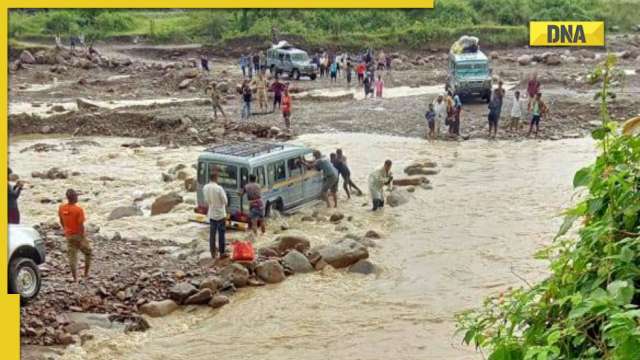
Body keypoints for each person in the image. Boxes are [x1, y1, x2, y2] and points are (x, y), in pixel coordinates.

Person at [59, 189, 91, 283]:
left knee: (72, 257)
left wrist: (65, 229)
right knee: (88, 252)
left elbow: (61, 220)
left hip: (68, 235)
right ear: (73, 197)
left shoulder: (62, 208)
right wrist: (82, 237)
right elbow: (81, 225)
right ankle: (86, 275)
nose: (77, 197)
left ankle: (75, 278)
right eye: (76, 195)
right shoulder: (78, 210)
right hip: (78, 235)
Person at [203, 170, 228, 258]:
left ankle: (212, 252)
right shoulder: (219, 188)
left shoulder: (205, 187)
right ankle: (222, 252)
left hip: (211, 213)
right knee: (221, 233)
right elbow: (225, 201)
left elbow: (206, 201)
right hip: (221, 214)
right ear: (216, 178)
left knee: (212, 234)